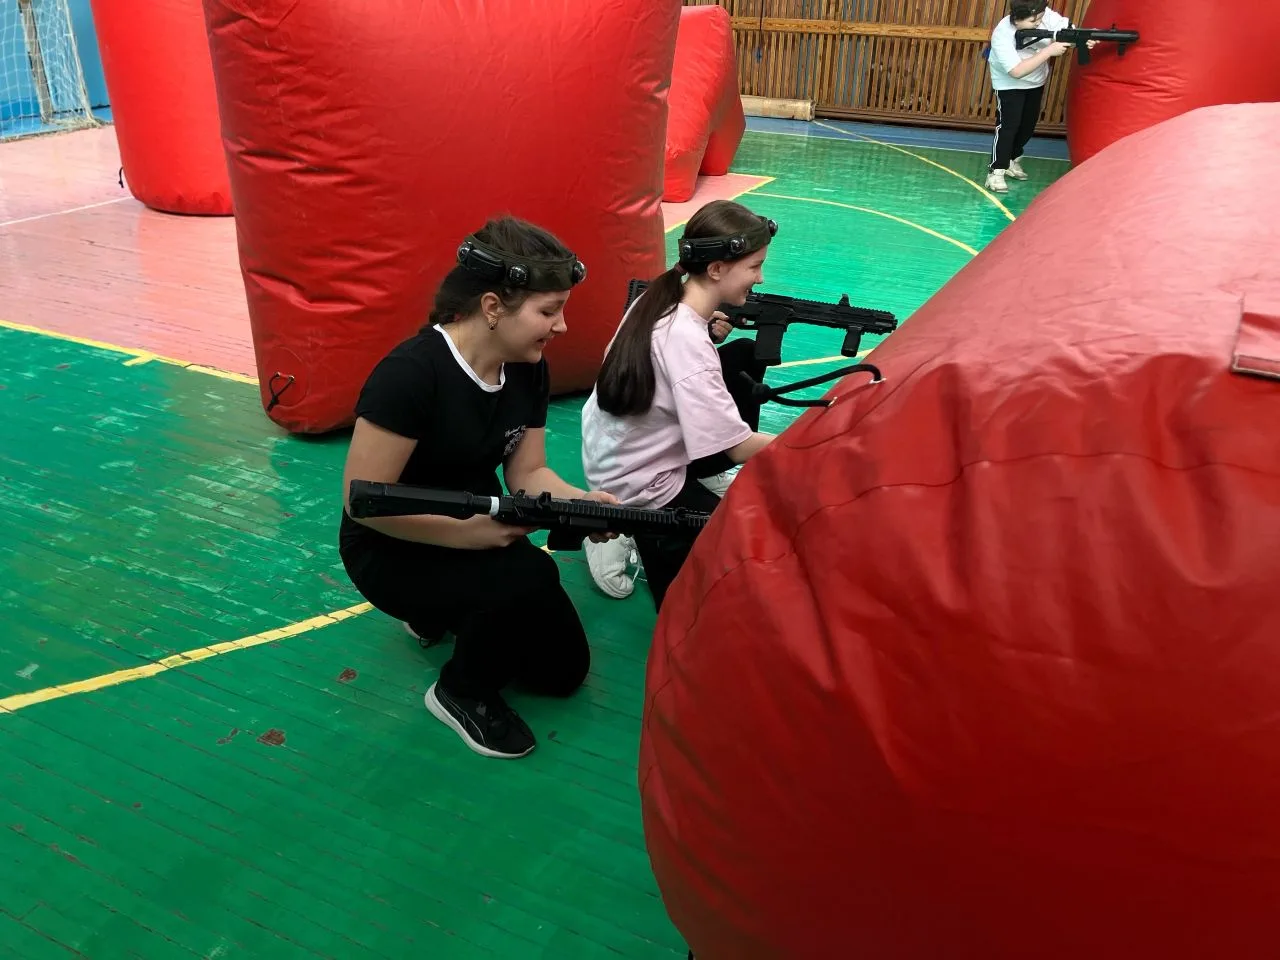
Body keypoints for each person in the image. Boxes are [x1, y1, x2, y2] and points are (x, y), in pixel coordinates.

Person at [338, 216, 620, 761]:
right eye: (548, 311)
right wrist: (471, 538)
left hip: (481, 523)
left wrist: (581, 503)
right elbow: (363, 503)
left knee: (561, 673)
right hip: (389, 546)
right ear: (493, 307)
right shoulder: (410, 374)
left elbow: (528, 473)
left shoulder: (527, 367)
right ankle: (459, 691)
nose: (561, 326)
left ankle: (444, 613)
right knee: (524, 578)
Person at [580, 199, 777, 611]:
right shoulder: (686, 341)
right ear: (717, 269)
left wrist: (708, 334)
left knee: (742, 354)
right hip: (640, 482)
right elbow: (737, 447)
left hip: (612, 454)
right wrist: (815, 439)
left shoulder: (659, 297)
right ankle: (624, 528)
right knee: (717, 559)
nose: (760, 277)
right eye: (754, 266)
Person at [985, 1, 1097, 194]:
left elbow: (1066, 31)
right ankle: (996, 170)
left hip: (1036, 81)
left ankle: (1012, 159)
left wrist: (1081, 38)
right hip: (1009, 85)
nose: (1038, 23)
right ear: (1016, 19)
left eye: (1040, 18)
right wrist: (1048, 51)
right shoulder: (1002, 33)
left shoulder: (1044, 15)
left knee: (1027, 126)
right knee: (1008, 127)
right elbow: (1016, 71)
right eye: (1032, 21)